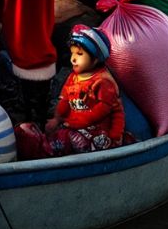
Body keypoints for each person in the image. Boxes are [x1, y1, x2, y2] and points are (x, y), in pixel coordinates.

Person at [14, 25, 124, 159]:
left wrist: (115, 137)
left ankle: (43, 150)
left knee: (68, 140)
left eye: (79, 54)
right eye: (72, 53)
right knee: (58, 136)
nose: (73, 59)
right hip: (73, 127)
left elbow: (105, 111)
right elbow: (65, 100)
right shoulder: (74, 77)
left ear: (95, 59)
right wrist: (56, 119)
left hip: (96, 132)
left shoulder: (103, 82)